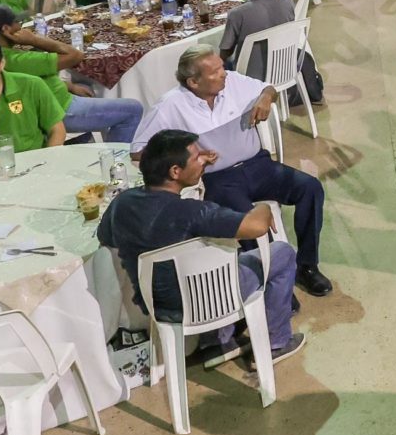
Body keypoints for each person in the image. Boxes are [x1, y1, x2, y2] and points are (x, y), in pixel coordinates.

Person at [137, 50, 333, 297]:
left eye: (222, 67)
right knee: (247, 221)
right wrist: (187, 155)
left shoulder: (233, 82)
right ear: (193, 82)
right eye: (215, 71)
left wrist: (266, 97)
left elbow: (268, 88)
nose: (224, 74)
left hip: (258, 165)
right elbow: (138, 150)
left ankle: (307, 265)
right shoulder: (170, 105)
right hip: (219, 178)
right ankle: (271, 280)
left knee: (310, 188)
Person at [98, 130, 301, 367]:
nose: (203, 160)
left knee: (214, 261)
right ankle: (277, 342)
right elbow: (256, 226)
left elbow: (106, 238)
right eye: (197, 158)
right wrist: (263, 208)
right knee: (283, 253)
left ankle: (216, 342)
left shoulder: (121, 203)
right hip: (206, 303)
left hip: (156, 306)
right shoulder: (193, 212)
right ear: (175, 171)